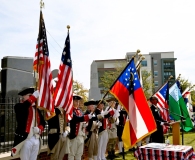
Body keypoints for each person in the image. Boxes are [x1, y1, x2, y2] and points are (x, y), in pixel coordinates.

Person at [11, 87, 46, 160]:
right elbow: (24, 107)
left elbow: (43, 123)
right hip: (26, 139)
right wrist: (33, 97)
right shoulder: (19, 106)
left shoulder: (36, 109)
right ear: (24, 96)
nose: (33, 97)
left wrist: (39, 129)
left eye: (32, 95)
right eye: (30, 95)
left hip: (36, 138)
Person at [67, 95, 93, 160]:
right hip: (74, 136)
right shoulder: (70, 110)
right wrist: (87, 117)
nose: (78, 102)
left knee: (79, 154)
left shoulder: (80, 110)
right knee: (71, 154)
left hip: (81, 135)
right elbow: (76, 118)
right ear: (71, 101)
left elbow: (82, 120)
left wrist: (84, 124)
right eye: (76, 101)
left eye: (78, 101)